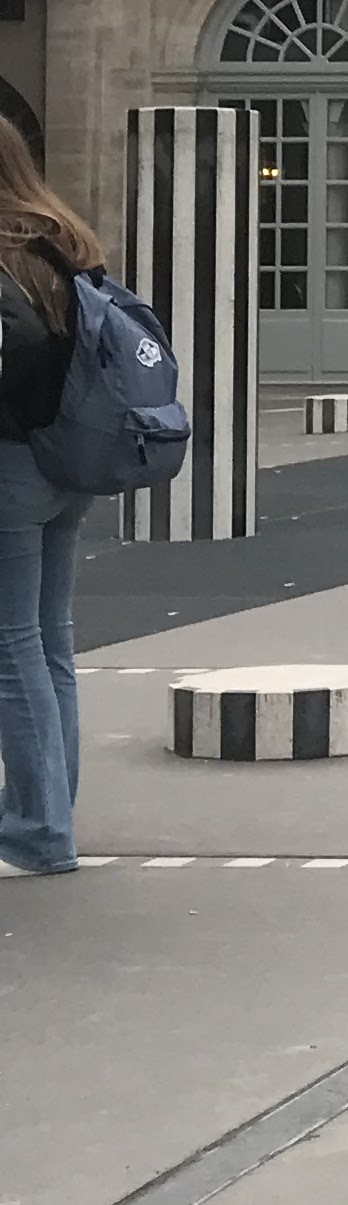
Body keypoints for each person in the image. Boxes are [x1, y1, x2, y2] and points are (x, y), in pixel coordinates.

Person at [0, 124, 103, 876]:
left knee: (13, 645)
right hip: (70, 458)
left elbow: (22, 351)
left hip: (12, 460)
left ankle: (40, 828)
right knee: (50, 639)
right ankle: (52, 811)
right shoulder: (66, 237)